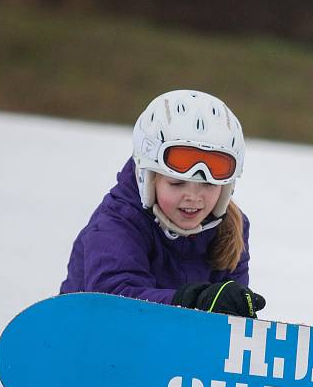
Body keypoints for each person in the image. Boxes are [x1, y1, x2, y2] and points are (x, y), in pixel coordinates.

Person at [60, 89, 265, 318]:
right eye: (177, 183)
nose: (193, 197)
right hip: (95, 341)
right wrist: (190, 302)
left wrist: (233, 311)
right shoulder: (117, 223)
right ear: (147, 179)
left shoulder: (230, 229)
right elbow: (113, 299)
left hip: (174, 347)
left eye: (208, 185)